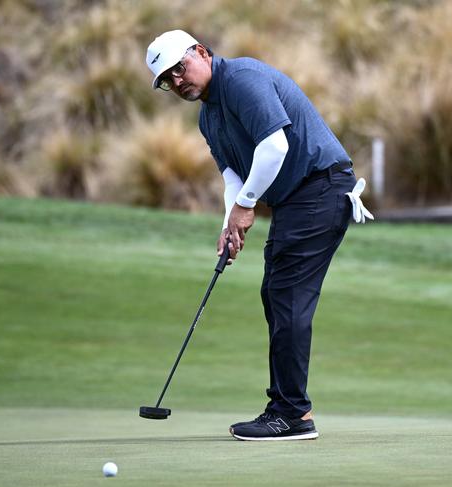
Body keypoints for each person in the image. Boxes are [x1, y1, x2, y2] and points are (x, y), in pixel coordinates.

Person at [145, 30, 373, 441]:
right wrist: (228, 225)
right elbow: (233, 176)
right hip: (299, 200)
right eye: (167, 79)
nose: (177, 81)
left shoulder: (242, 80)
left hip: (320, 188)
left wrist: (248, 205)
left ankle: (291, 414)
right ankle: (289, 410)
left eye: (180, 68)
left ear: (201, 52)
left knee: (284, 293)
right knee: (277, 293)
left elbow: (275, 147)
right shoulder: (208, 116)